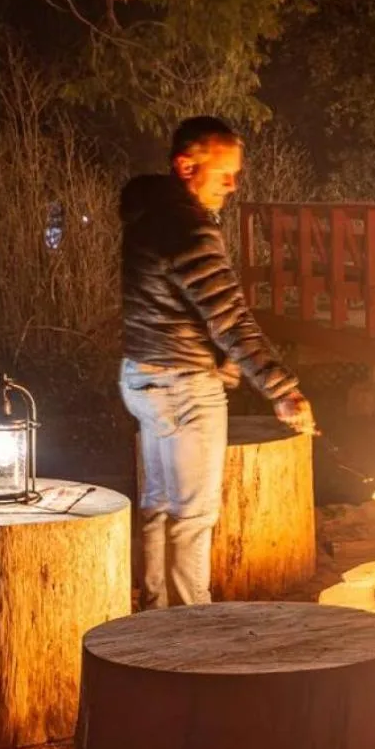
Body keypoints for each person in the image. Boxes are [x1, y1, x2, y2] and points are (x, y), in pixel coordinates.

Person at [118, 116, 314, 608]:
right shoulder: (188, 230)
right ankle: (193, 631)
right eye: (223, 172)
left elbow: (178, 309)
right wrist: (283, 391)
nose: (233, 184)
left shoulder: (148, 217)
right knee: (194, 515)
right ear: (186, 166)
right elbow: (231, 320)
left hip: (143, 378)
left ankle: (156, 617)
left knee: (159, 506)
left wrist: (218, 363)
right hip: (183, 388)